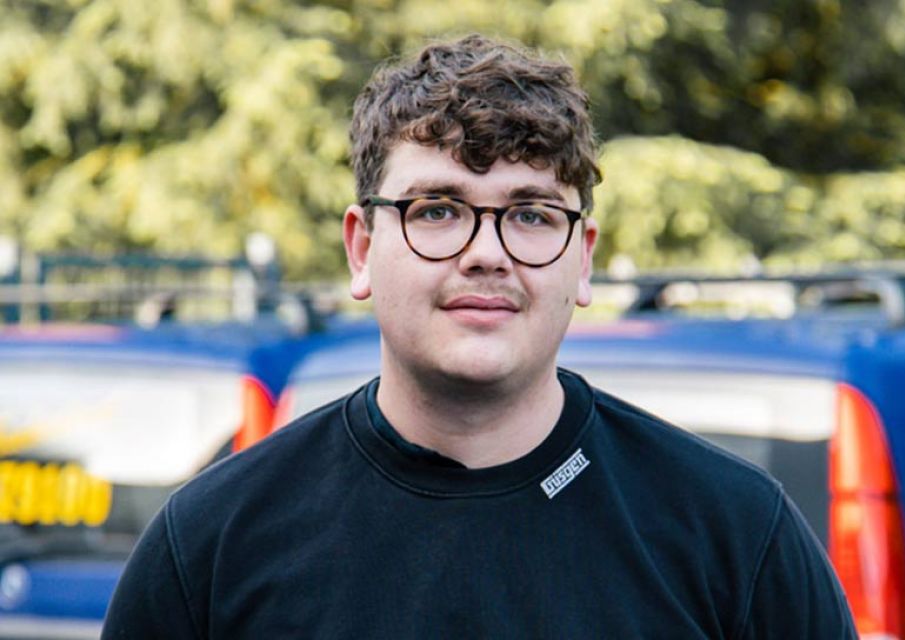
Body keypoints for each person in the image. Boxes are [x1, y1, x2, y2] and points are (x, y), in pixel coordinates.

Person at [102, 34, 857, 639]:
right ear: (361, 248)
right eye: (437, 209)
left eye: (531, 214)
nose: (487, 253)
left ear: (583, 258)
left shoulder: (736, 535)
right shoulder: (210, 545)